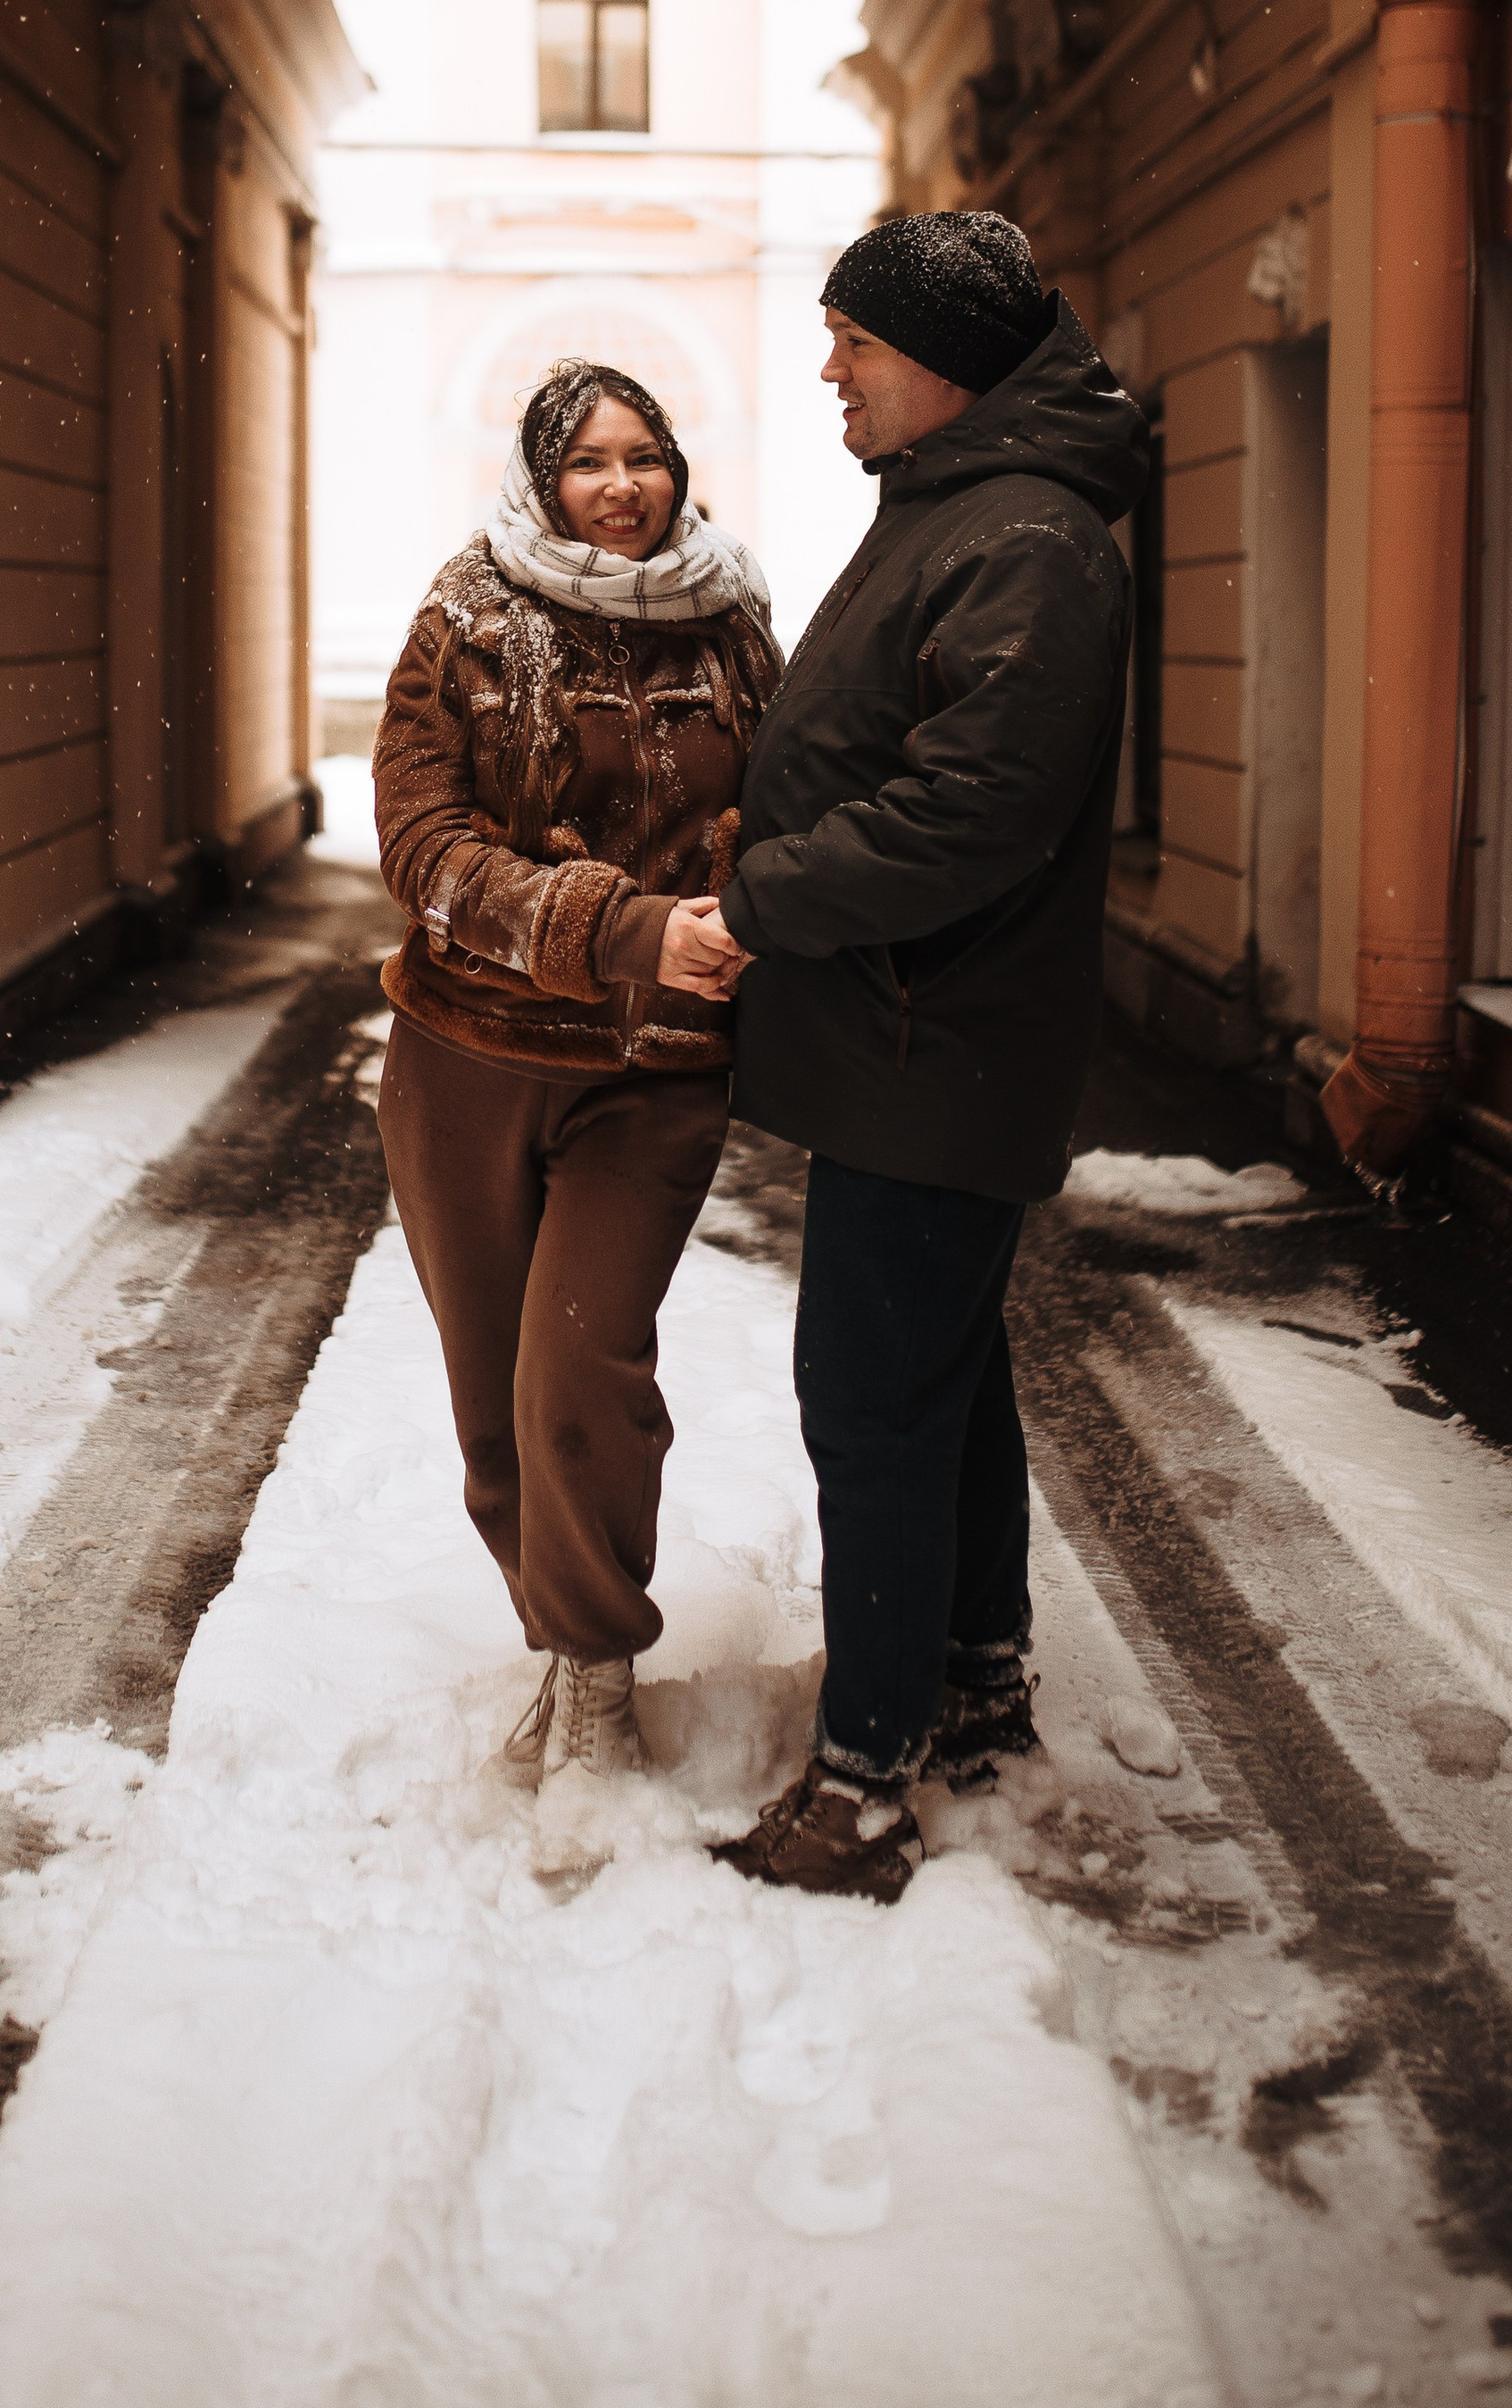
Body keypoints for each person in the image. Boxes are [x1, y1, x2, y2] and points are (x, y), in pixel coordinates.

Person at [694, 210, 1150, 1902]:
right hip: (918, 1032)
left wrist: (762, 898)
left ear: (945, 363)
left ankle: (866, 1780)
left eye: (856, 344)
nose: (832, 370)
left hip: (932, 1034)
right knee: (946, 1394)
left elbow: (973, 811)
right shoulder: (967, 509)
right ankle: (974, 1699)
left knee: (874, 1403)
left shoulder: (1023, 536)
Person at [370, 357, 783, 1778]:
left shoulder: (731, 619)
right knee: (494, 1402)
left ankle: (599, 1674)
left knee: (578, 1367)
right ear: (545, 480)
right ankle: (557, 1638)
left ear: (680, 468)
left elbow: (790, 796)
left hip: (654, 1069)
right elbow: (422, 847)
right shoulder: (466, 615)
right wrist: (620, 924)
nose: (623, 487)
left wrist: (744, 904)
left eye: (645, 457)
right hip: (468, 1057)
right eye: (591, 463)